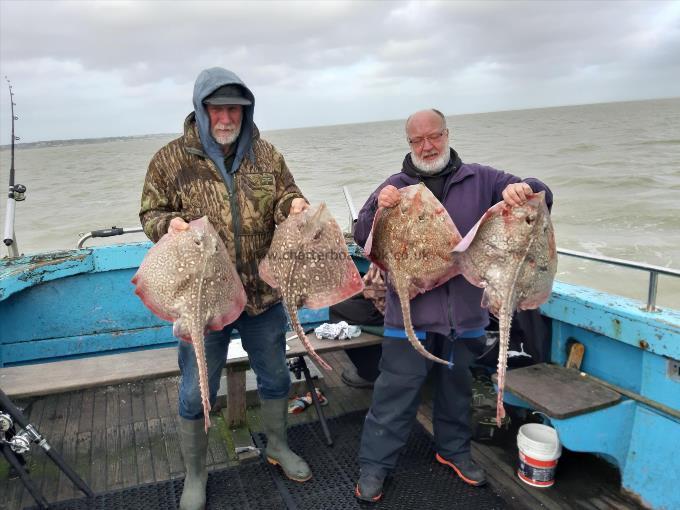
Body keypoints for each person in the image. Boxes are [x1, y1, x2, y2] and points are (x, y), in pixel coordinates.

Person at [352, 109, 553, 503]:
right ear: (409, 144)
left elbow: (540, 195)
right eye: (417, 140)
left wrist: (526, 187)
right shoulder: (394, 185)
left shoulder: (482, 179)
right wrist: (380, 207)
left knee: (456, 391)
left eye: (434, 136)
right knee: (394, 395)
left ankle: (454, 450)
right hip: (410, 314)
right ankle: (374, 465)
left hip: (466, 316)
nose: (427, 146)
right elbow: (362, 235)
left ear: (447, 134)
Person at [139, 67, 311, 510]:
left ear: (246, 110)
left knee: (274, 375)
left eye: (235, 108)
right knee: (196, 388)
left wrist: (294, 204)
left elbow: (285, 196)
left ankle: (277, 445)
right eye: (218, 107)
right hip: (203, 298)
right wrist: (167, 225)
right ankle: (195, 474)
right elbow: (150, 212)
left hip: (261, 295)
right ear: (202, 109)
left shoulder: (267, 155)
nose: (226, 116)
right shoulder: (169, 159)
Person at [330, 264, 385, 388]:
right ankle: (373, 368)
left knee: (336, 309)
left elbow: (377, 287)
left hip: (389, 309)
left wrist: (353, 294)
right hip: (393, 302)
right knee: (343, 300)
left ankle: (369, 372)